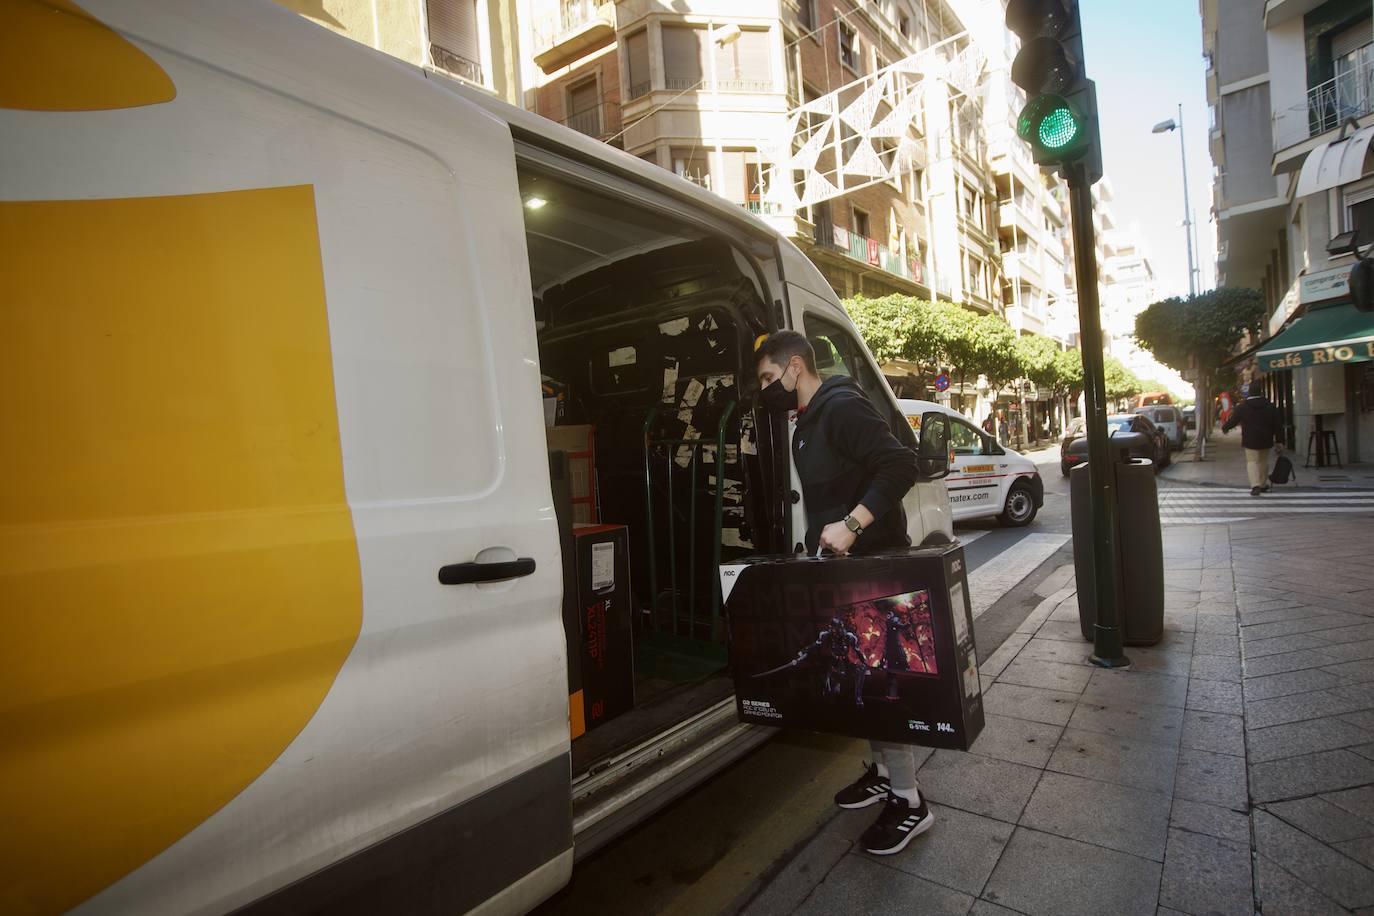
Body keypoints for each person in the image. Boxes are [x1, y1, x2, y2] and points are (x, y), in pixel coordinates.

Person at [754, 330, 932, 856]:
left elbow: (902, 464)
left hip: (872, 566)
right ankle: (883, 774)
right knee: (862, 678)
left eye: (768, 377)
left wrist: (852, 524)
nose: (765, 388)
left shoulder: (841, 406)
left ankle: (910, 801)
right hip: (841, 571)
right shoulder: (806, 424)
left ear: (794, 368)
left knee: (882, 684)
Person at [1222, 383, 1282, 496]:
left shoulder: (1243, 407)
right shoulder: (1270, 406)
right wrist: (1279, 440)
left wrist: (1225, 428)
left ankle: (1255, 486)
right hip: (1266, 438)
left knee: (1252, 462)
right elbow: (1277, 424)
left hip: (1250, 439)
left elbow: (1233, 420)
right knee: (1263, 462)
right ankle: (1262, 484)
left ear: (1250, 392)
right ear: (1261, 392)